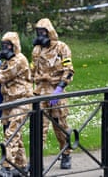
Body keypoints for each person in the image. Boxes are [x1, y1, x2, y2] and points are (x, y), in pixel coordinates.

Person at [31, 18, 75, 169]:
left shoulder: (62, 48)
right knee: (39, 128)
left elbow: (69, 70)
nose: (41, 35)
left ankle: (66, 153)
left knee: (60, 127)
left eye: (43, 32)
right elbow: (32, 71)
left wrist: (59, 89)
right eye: (38, 32)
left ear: (50, 32)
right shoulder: (37, 50)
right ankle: (37, 160)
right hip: (40, 93)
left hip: (56, 93)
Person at [0, 32, 33, 177]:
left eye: (8, 45)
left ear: (15, 46)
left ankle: (6, 168)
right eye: (3, 45)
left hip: (21, 101)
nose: (5, 48)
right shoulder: (9, 60)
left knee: (11, 134)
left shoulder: (18, 60)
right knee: (14, 134)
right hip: (9, 101)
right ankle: (21, 166)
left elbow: (1, 77)